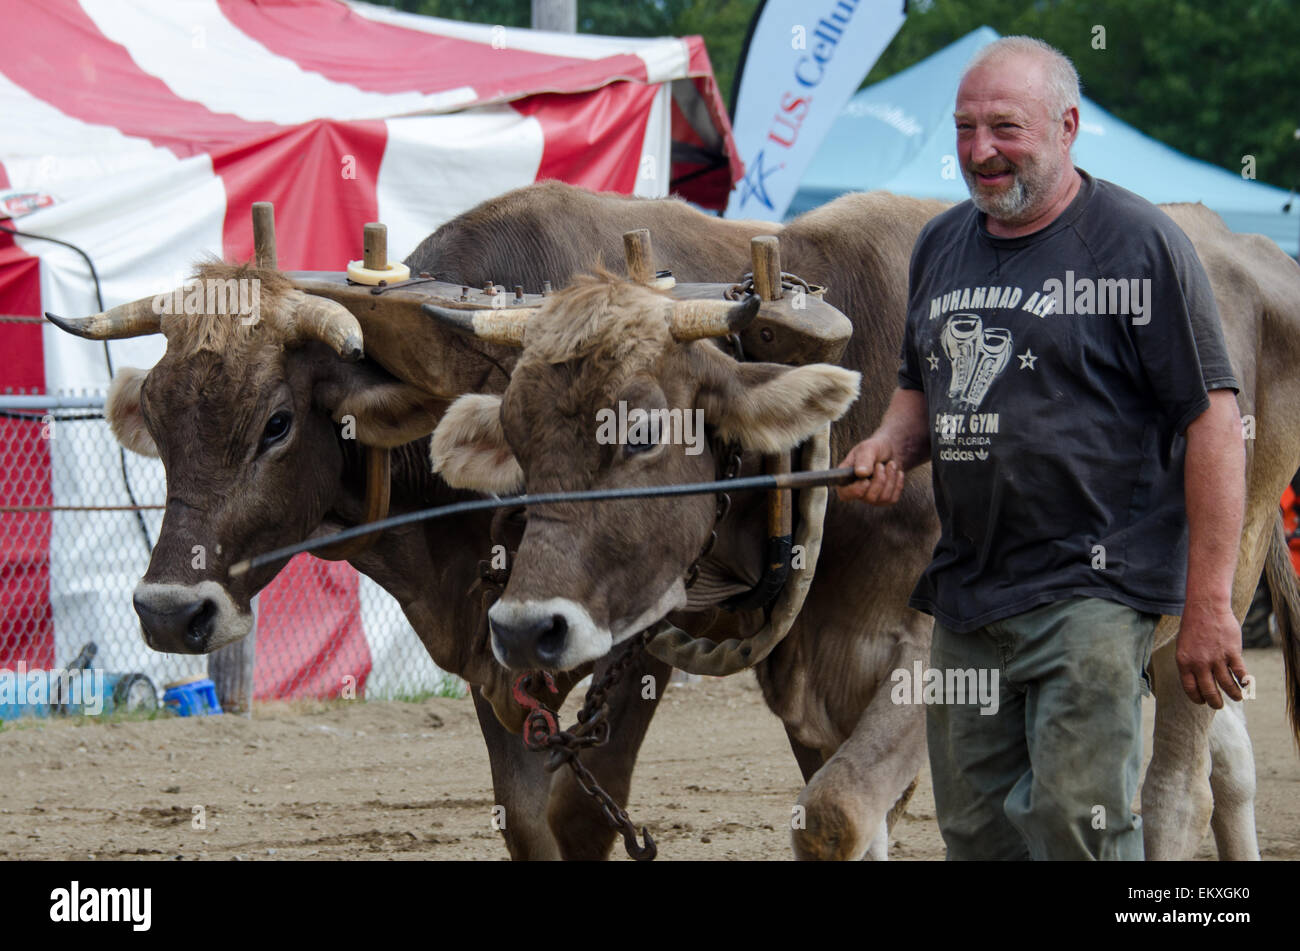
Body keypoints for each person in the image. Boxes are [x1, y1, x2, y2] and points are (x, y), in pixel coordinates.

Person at [837, 36, 1249, 860]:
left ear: (1067, 126)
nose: (980, 151)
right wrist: (888, 440)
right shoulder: (941, 245)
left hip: (1093, 590)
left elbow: (1212, 421)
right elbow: (924, 385)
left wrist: (1209, 602)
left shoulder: (1138, 245)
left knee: (1075, 823)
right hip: (967, 592)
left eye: (1005, 128)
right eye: (964, 128)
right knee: (977, 833)